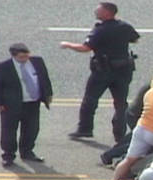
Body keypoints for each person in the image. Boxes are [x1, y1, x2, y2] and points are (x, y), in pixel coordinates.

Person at [60, 2, 139, 142]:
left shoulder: (101, 30)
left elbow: (85, 48)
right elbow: (135, 39)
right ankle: (120, 133)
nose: (96, 11)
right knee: (121, 103)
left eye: (99, 9)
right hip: (123, 71)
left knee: (90, 100)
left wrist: (68, 45)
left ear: (107, 12)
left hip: (103, 71)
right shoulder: (125, 26)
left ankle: (85, 129)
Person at [100, 44, 153, 165]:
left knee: (137, 138)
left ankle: (111, 156)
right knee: (143, 140)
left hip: (144, 111)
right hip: (141, 111)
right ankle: (118, 159)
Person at [0, 43, 53, 167]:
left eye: (26, 56)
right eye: (21, 57)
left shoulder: (37, 61)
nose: (25, 59)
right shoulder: (2, 67)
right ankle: (8, 155)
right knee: (9, 131)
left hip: (32, 103)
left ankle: (27, 152)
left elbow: (44, 78)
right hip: (11, 105)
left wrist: (48, 94)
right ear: (13, 56)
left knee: (32, 129)